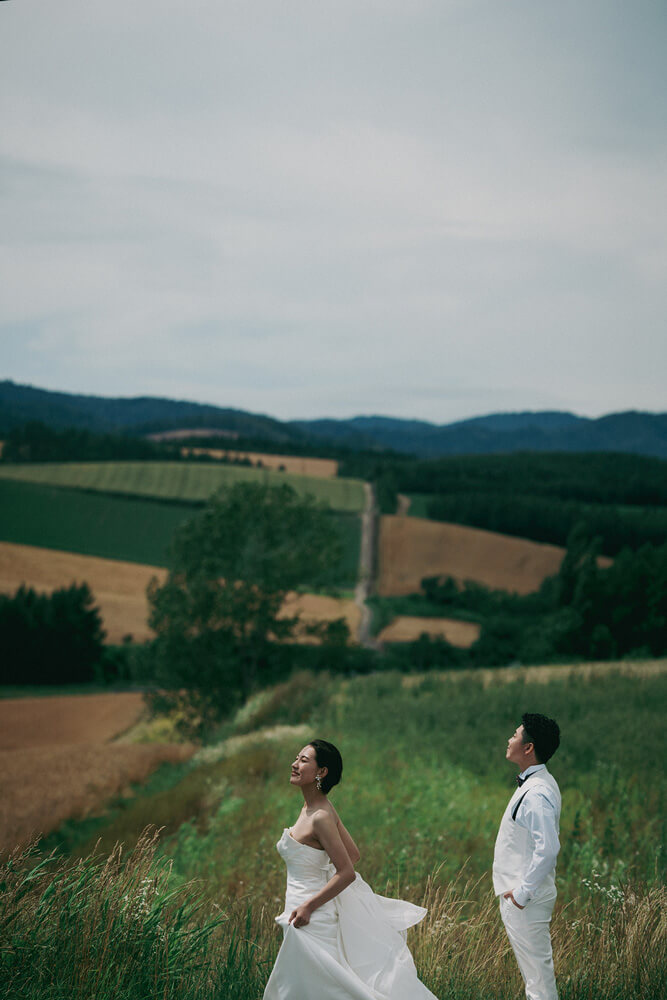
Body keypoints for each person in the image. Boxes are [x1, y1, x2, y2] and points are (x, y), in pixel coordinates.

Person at [263, 738, 438, 1000]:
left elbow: (347, 872)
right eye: (296, 758)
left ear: (321, 772)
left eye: (303, 760)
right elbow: (353, 853)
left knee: (320, 990)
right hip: (302, 910)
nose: (294, 764)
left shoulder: (320, 816)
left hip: (311, 916)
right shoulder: (316, 808)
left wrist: (310, 905)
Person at [493, 713, 562, 1000]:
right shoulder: (539, 784)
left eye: (515, 734)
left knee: (538, 983)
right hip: (524, 898)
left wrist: (521, 894)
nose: (510, 739)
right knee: (536, 979)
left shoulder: (536, 793)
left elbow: (548, 848)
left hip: (525, 900)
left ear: (528, 747)